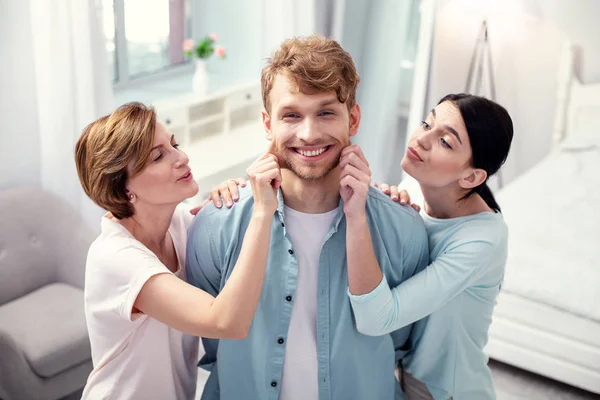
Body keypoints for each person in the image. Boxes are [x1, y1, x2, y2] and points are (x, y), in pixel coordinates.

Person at [186, 35, 429, 400]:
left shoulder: (404, 229)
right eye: (291, 115)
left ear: (354, 117)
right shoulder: (215, 226)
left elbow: (399, 343)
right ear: (268, 125)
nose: (309, 133)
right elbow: (214, 341)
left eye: (326, 112)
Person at [74, 102, 278, 399]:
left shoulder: (180, 223)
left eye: (174, 144)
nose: (182, 158)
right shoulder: (115, 258)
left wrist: (228, 202)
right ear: (122, 188)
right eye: (158, 156)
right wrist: (262, 211)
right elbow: (225, 321)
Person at [347, 93, 514, 399]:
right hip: (404, 374)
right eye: (427, 123)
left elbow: (377, 317)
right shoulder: (415, 188)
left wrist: (358, 215)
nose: (422, 139)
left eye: (445, 142)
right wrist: (390, 215)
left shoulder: (483, 240)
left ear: (472, 176)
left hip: (447, 390)